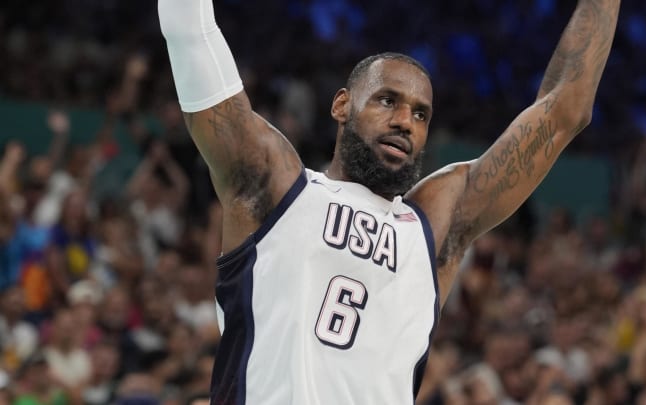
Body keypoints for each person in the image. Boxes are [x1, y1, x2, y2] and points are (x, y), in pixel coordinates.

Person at [158, 0, 621, 403]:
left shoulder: (433, 225)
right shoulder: (275, 188)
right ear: (342, 105)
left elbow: (566, 110)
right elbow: (190, 32)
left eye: (421, 114)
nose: (405, 121)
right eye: (387, 101)